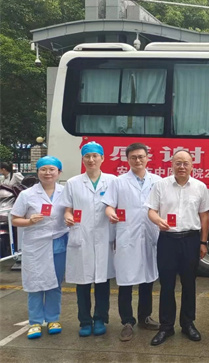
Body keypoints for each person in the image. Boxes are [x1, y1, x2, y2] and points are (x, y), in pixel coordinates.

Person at [146, 150, 209, 346]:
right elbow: (151, 210)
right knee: (166, 285)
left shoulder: (200, 187)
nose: (182, 167)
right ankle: (166, 326)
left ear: (192, 166)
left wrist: (203, 242)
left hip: (190, 240)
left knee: (189, 284)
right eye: (178, 163)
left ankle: (188, 324)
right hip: (167, 240)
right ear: (172, 164)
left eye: (186, 163)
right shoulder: (160, 185)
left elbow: (204, 216)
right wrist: (158, 220)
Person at [102, 143, 161, 342]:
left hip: (150, 236)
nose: (138, 160)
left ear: (147, 158)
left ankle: (145, 317)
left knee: (147, 280)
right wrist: (111, 213)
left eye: (141, 156)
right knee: (126, 281)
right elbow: (109, 205)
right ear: (127, 160)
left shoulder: (157, 181)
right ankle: (127, 322)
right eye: (133, 157)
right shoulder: (118, 182)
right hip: (127, 236)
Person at [59, 142, 117, 337]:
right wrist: (68, 216)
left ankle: (100, 318)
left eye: (95, 156)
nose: (91, 160)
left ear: (102, 158)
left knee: (102, 282)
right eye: (87, 156)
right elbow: (67, 209)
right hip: (81, 236)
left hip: (104, 236)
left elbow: (116, 205)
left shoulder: (112, 181)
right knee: (82, 282)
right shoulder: (73, 183)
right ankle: (84, 321)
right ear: (82, 159)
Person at [10, 156, 68, 339]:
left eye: (52, 169)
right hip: (35, 244)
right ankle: (35, 321)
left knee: (55, 283)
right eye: (43, 169)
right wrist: (29, 221)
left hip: (58, 242)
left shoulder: (65, 192)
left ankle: (53, 319)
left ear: (59, 172)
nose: (47, 173)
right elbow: (15, 219)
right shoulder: (27, 195)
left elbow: (70, 212)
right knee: (35, 284)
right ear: (38, 172)